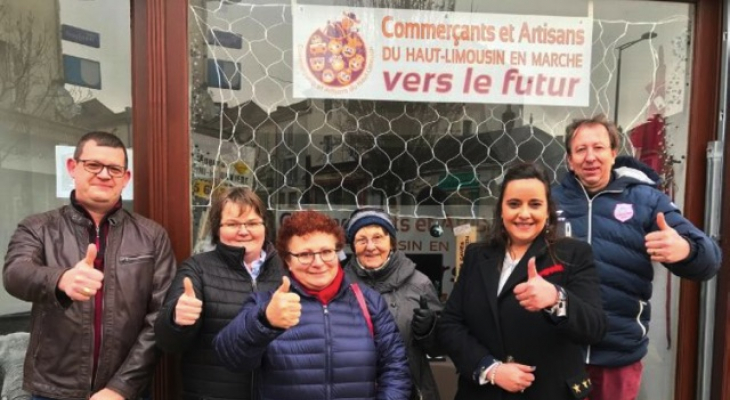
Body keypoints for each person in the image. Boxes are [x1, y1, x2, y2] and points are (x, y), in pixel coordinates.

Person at [552, 114, 721, 400]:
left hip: (618, 354)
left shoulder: (646, 199)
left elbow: (710, 260)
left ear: (614, 153)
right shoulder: (549, 200)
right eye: (581, 149)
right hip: (558, 351)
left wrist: (685, 250)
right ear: (569, 160)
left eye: (599, 147)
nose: (590, 157)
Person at [3, 131, 176, 400]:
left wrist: (122, 387)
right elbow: (15, 273)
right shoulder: (38, 227)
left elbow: (160, 317)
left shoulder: (152, 236)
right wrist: (60, 279)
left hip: (127, 392)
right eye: (93, 165)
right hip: (53, 389)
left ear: (125, 178)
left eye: (114, 169)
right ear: (73, 167)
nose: (104, 175)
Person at [438, 163, 606, 400]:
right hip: (482, 393)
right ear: (501, 209)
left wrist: (557, 299)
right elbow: (450, 325)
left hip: (549, 392)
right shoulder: (477, 255)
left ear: (548, 211)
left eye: (535, 204)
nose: (524, 214)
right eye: (514, 204)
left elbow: (595, 328)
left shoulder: (573, 254)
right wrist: (491, 369)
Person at [214, 210, 411, 400]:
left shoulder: (369, 302)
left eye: (326, 252)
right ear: (288, 261)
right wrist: (265, 322)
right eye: (305, 255)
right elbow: (231, 358)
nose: (318, 262)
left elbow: (395, 369)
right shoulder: (268, 304)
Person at [154, 187, 285, 400]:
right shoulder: (197, 269)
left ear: (265, 226)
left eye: (252, 223)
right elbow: (167, 343)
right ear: (217, 229)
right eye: (232, 224)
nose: (243, 231)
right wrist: (176, 320)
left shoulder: (286, 269)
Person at [343, 208, 443, 400]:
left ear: (392, 241)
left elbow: (439, 348)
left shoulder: (419, 283)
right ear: (353, 246)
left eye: (378, 237)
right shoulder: (340, 286)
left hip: (411, 392)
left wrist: (429, 329)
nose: (370, 246)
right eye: (361, 240)